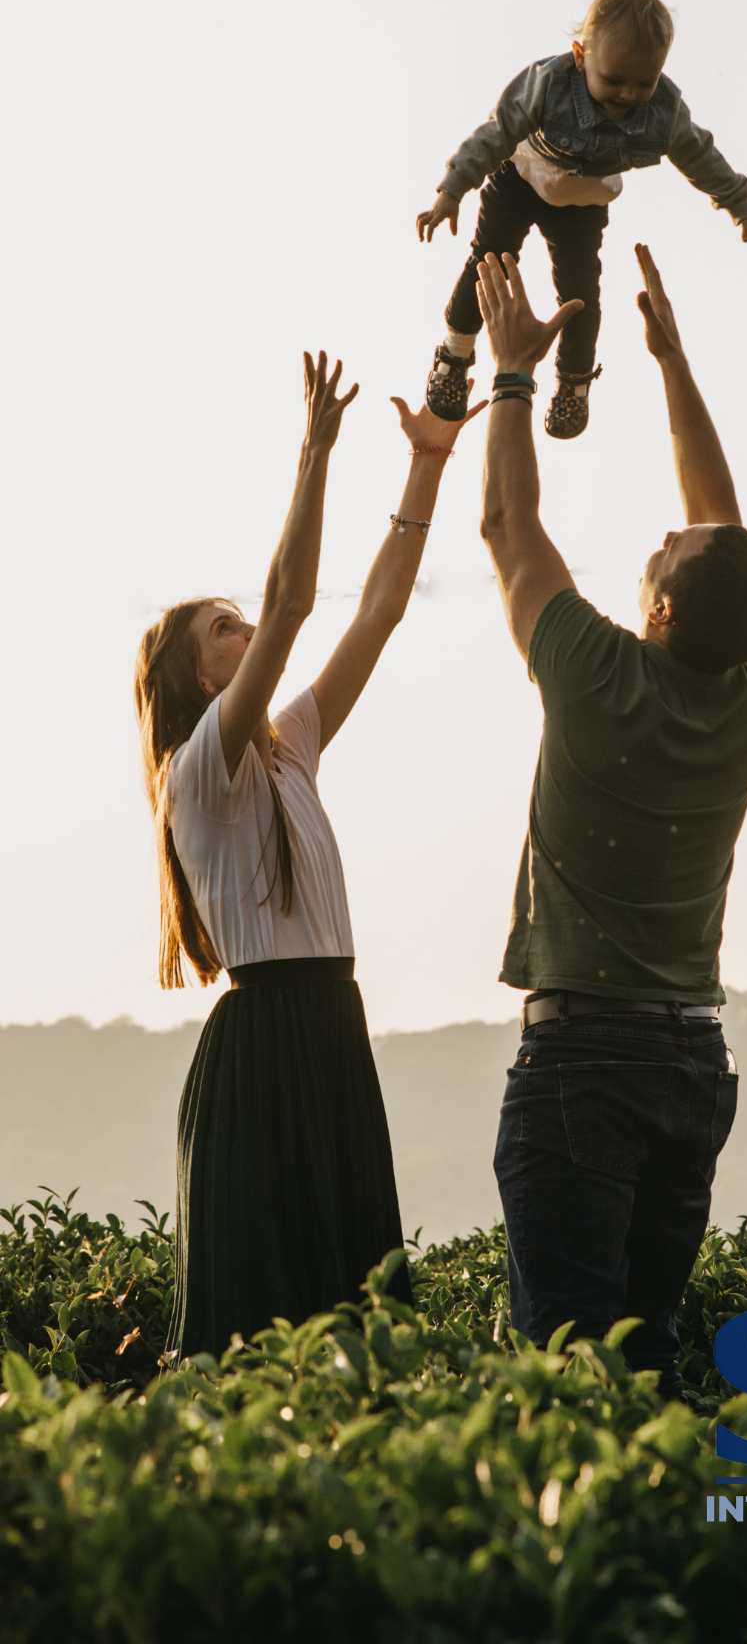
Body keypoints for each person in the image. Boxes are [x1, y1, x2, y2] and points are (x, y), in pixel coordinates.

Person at [475, 246, 747, 1399]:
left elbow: (507, 524)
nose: (664, 534)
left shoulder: (597, 676)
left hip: (586, 1062)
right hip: (692, 1062)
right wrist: (671, 363)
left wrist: (514, 374)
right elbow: (724, 534)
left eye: (665, 553)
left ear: (657, 609)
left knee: (568, 1379)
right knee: (647, 1369)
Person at [133, 352, 483, 1360]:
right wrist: (315, 453)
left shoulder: (288, 747)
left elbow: (378, 611)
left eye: (240, 620)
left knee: (357, 1319)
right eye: (224, 629)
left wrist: (427, 463)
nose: (248, 630)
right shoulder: (200, 767)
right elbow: (293, 605)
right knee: (262, 1332)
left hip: (331, 1029)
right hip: (265, 1050)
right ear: (194, 676)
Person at [417, 0, 747, 441]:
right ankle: (455, 352)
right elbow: (499, 131)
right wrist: (453, 188)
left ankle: (574, 381)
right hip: (520, 177)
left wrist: (740, 207)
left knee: (580, 292)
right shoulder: (549, 82)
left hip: (582, 203)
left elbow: (700, 156)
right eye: (614, 80)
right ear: (581, 56)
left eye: (644, 83)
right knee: (489, 261)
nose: (628, 94)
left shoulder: (663, 113)